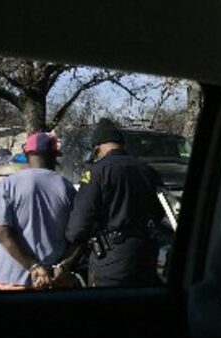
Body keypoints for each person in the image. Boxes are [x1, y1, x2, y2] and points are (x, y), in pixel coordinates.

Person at [60, 118, 165, 287]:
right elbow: (159, 213)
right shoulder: (148, 170)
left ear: (97, 148)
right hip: (145, 255)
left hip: (112, 260)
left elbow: (80, 224)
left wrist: (72, 241)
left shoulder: (96, 172)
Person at [0, 131, 76, 290]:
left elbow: (0, 232)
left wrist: (32, 266)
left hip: (10, 282)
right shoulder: (67, 188)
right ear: (54, 155)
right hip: (52, 283)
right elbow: (80, 234)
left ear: (26, 153)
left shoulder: (8, 185)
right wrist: (64, 266)